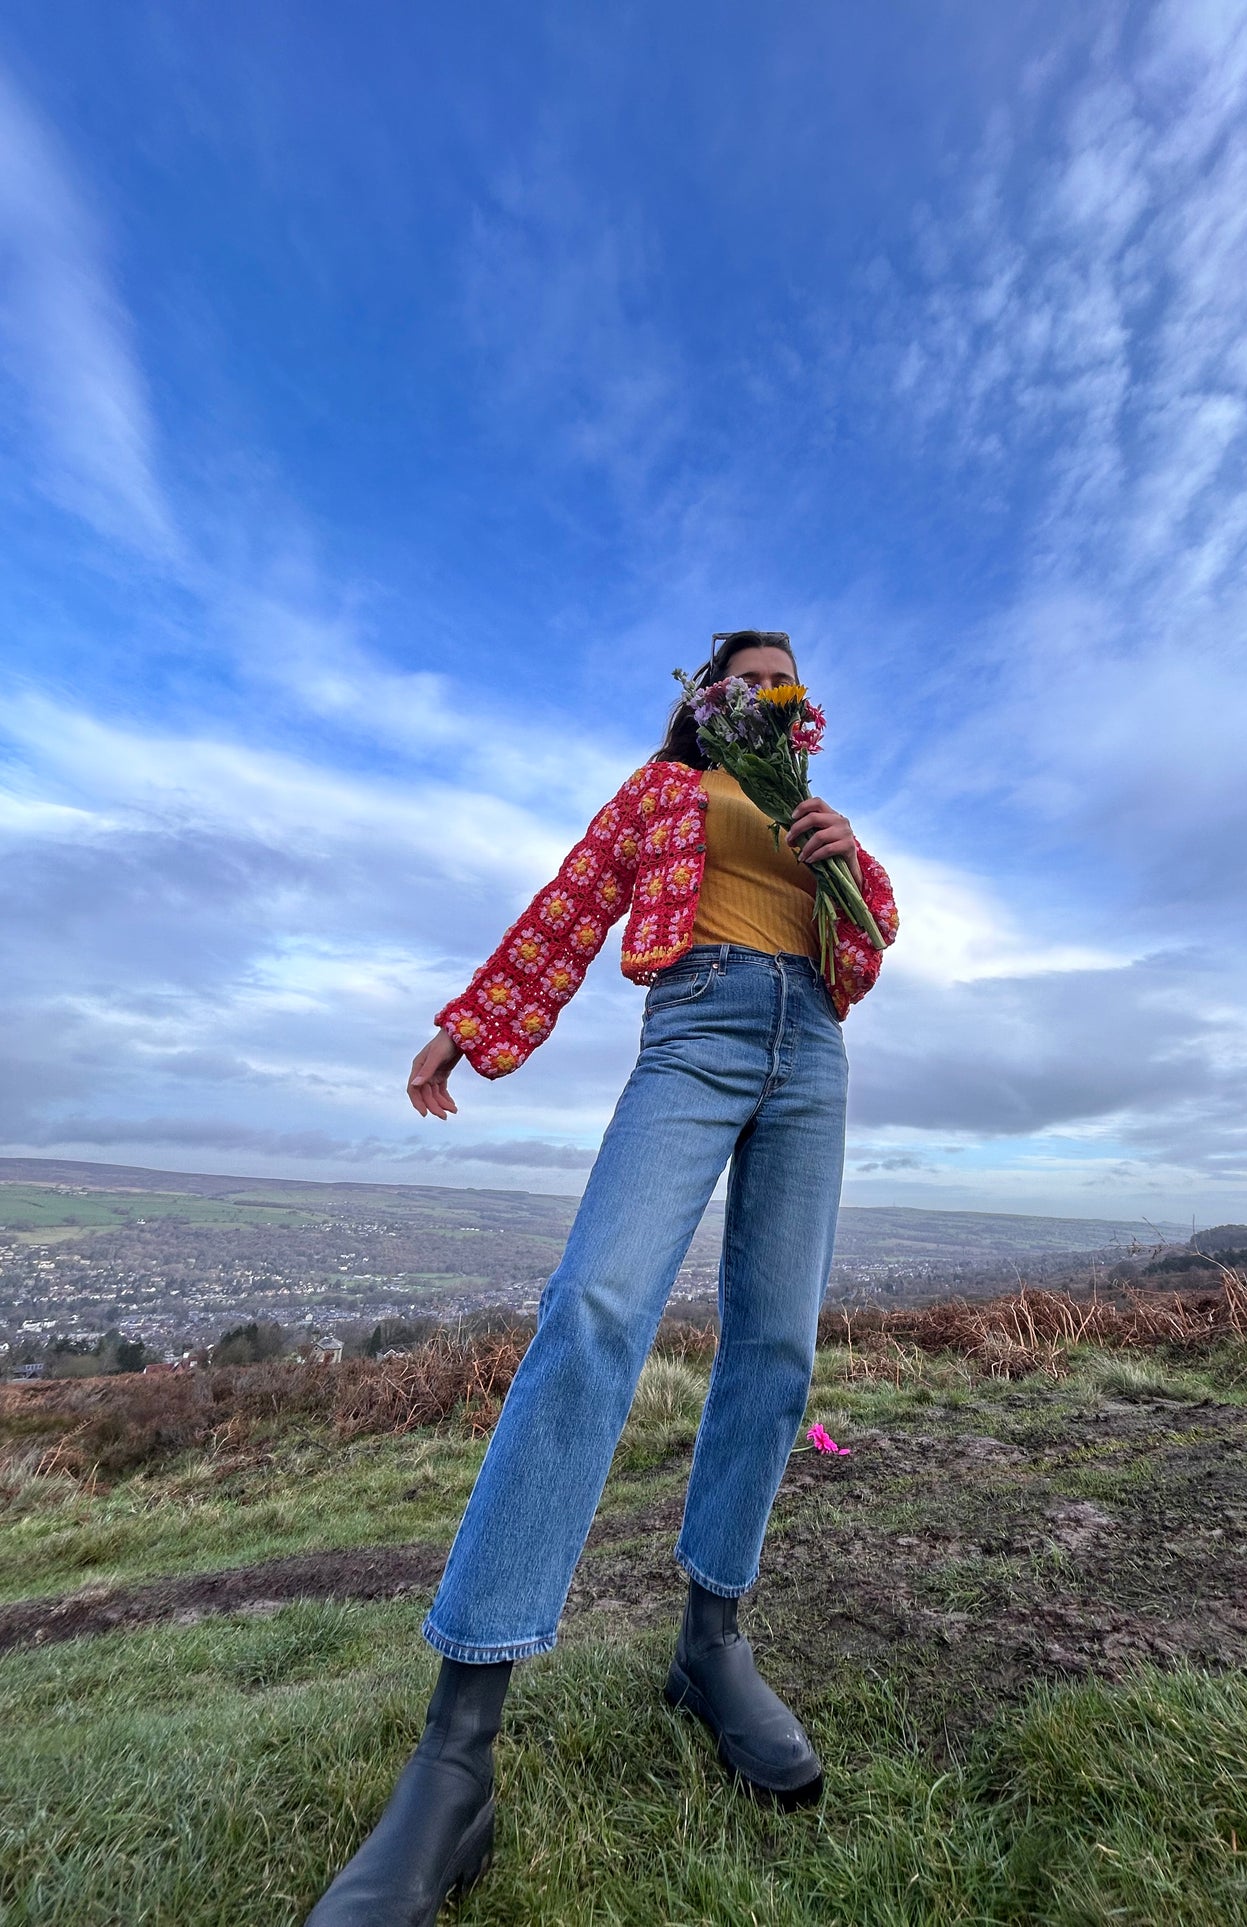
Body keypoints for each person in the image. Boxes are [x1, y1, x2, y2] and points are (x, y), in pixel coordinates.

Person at [306, 631, 899, 1927]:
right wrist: (470, 1027)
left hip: (813, 1058)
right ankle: (457, 1752)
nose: (759, 688)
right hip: (695, 1025)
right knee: (593, 1311)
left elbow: (863, 955)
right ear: (702, 697)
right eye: (739, 673)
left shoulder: (804, 808)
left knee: (777, 1351)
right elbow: (572, 903)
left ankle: (709, 1646)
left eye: (780, 675)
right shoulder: (659, 792)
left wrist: (848, 867)